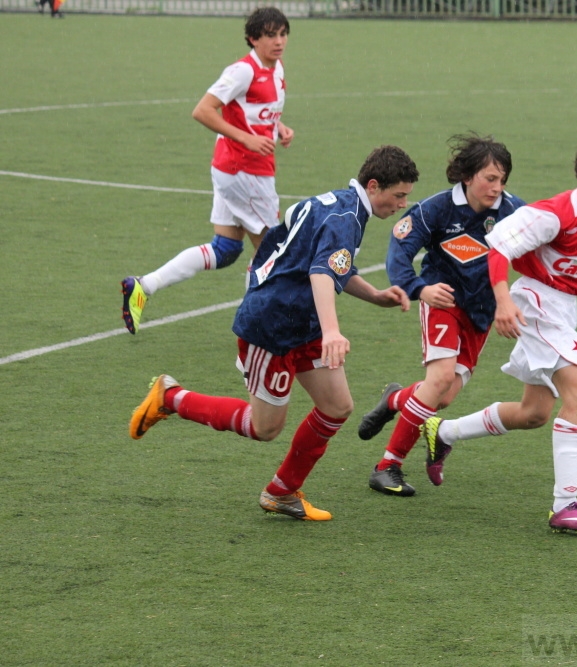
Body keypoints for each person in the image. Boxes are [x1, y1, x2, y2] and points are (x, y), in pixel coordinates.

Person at [128, 145, 420, 521]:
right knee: (264, 428)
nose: (401, 204)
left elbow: (327, 265)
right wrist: (332, 331)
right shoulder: (346, 217)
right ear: (375, 185)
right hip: (273, 326)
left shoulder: (341, 204)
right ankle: (171, 397)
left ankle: (281, 492)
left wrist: (375, 295)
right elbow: (321, 273)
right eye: (399, 196)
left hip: (301, 321)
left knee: (337, 406)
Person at [420, 137, 577, 535]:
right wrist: (504, 302)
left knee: (535, 413)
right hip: (536, 303)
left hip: (563, 308)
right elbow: (497, 250)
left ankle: (444, 431)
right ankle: (565, 506)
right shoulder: (551, 215)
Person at [356, 134, 526, 497]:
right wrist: (421, 290)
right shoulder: (435, 210)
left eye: (502, 180)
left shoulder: (513, 211)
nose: (497, 188)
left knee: (442, 396)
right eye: (489, 178)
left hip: (481, 315)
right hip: (442, 304)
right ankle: (388, 466)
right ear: (467, 176)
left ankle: (394, 400)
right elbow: (398, 252)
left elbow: (542, 246)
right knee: (439, 379)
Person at [120, 6, 294, 334]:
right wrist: (248, 139)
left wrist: (278, 128)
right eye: (270, 35)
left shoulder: (277, 69)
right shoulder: (242, 71)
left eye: (283, 34)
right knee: (274, 250)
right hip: (245, 171)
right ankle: (254, 324)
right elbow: (203, 110)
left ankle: (143, 286)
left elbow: (252, 111)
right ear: (253, 39)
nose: (278, 41)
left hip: (238, 168)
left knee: (226, 249)